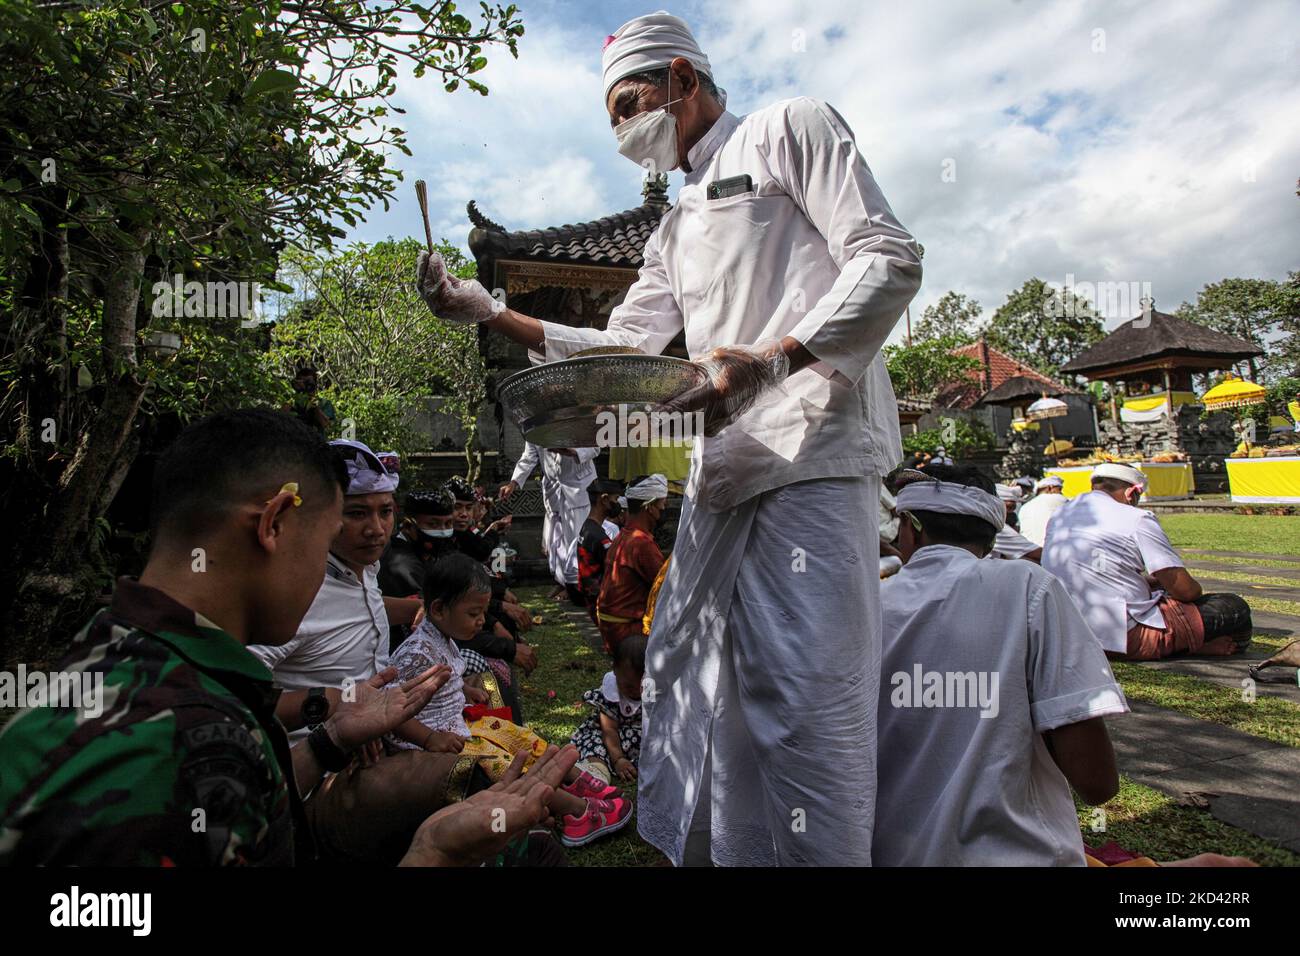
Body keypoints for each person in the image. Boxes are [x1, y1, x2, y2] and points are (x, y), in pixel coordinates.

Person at [416, 11, 922, 866]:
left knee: (811, 708)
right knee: (717, 698)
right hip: (722, 475)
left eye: (629, 104)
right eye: (610, 116)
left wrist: (774, 358)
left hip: (811, 455)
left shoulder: (787, 128)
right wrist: (488, 310)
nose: (622, 129)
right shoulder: (676, 221)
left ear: (682, 79)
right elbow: (624, 346)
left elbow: (889, 257)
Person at [0, 409, 579, 866]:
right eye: (330, 533)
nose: (338, 560)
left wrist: (331, 738)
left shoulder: (113, 657)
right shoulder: (188, 746)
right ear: (274, 523)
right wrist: (431, 855)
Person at [876, 465, 1127, 865]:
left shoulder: (870, 607)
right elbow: (1097, 783)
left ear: (909, 526)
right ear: (992, 537)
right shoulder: (1028, 587)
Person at [389, 554, 632, 847]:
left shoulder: (443, 638)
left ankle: (575, 779)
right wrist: (429, 738)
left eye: (482, 613)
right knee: (504, 764)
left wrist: (464, 691)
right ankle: (577, 813)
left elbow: (439, 681)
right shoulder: (415, 653)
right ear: (439, 609)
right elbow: (393, 710)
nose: (481, 622)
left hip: (459, 725)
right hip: (437, 744)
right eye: (474, 614)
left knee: (518, 737)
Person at [1042, 464, 1253, 660]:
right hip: (1120, 638)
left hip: (1067, 634)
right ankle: (1187, 645)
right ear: (1131, 493)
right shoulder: (1136, 518)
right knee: (1234, 608)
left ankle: (1186, 642)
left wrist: (1146, 583)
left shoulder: (1060, 515)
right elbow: (1186, 591)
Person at [500, 441, 599, 601]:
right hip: (554, 487)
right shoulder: (534, 423)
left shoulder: (576, 417)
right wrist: (514, 482)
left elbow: (595, 447)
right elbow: (529, 456)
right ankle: (562, 582)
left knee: (574, 539)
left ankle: (575, 585)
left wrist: (571, 451)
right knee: (555, 542)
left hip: (578, 485)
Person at [596, 475, 668, 654]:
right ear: (649, 507)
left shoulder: (624, 535)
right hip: (627, 631)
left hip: (610, 626)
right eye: (662, 504)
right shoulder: (641, 543)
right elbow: (666, 589)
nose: (664, 509)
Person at [571, 635, 648, 785]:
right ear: (615, 671)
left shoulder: (652, 689)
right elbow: (609, 730)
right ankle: (594, 773)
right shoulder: (611, 693)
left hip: (638, 739)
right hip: (609, 738)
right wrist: (618, 759)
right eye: (628, 686)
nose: (636, 692)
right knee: (596, 746)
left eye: (642, 685)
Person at [573, 477, 625, 625]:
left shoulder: (588, 527)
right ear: (604, 499)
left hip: (592, 598)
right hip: (601, 602)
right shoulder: (599, 538)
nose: (617, 504)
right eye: (616, 499)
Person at [991, 483, 1041, 562]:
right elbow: (1038, 554)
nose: (1011, 513)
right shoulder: (997, 527)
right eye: (1009, 507)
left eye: (1013, 508)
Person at [285, 366, 337, 436]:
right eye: (303, 383)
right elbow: (280, 417)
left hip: (316, 443)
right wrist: (295, 395)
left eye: (309, 384)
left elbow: (327, 425)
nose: (306, 386)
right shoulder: (292, 402)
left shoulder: (324, 403)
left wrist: (313, 403)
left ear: (315, 386)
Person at [1017, 475, 1067, 546]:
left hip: (1028, 551)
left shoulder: (1025, 506)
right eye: (1059, 489)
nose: (1061, 493)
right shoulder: (1059, 499)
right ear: (1050, 488)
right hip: (1049, 550)